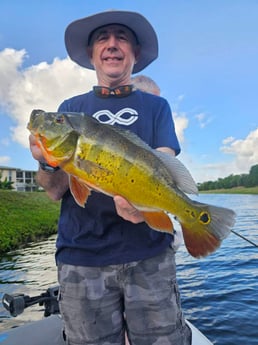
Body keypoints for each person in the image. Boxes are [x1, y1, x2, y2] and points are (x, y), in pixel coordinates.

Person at [29, 10, 191, 345]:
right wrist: (47, 164)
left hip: (150, 254)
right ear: (92, 55)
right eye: (103, 38)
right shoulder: (70, 110)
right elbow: (56, 191)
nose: (112, 45)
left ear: (135, 53)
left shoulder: (156, 107)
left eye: (122, 38)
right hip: (82, 257)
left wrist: (145, 206)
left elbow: (165, 163)